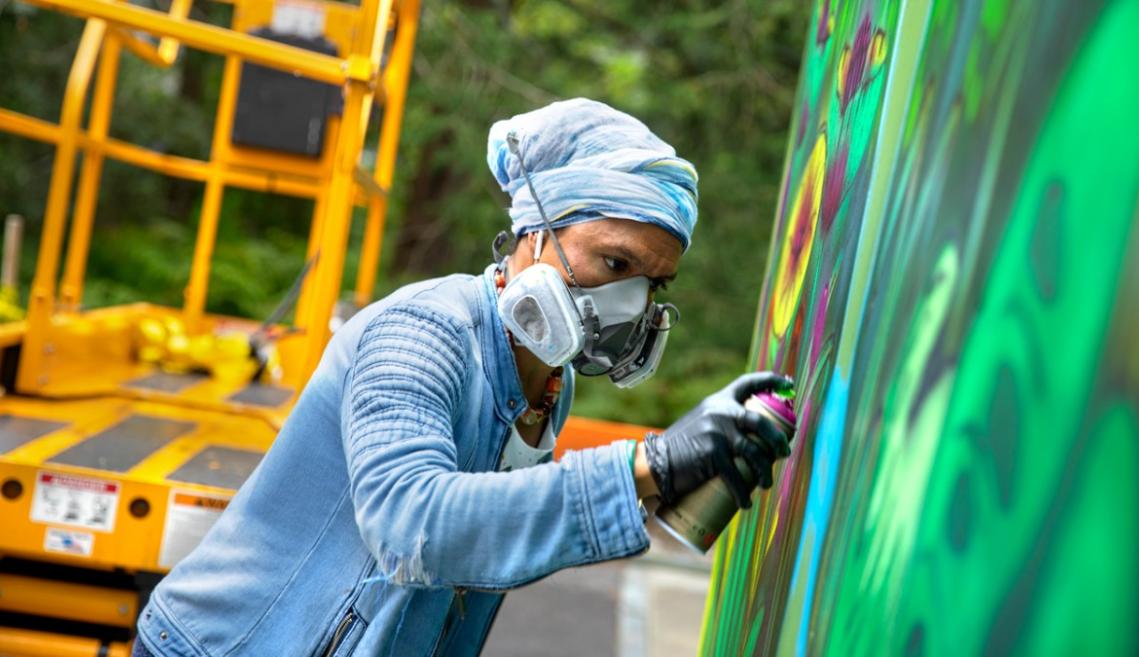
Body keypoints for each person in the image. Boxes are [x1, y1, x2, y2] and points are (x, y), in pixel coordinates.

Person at [132, 98, 793, 657]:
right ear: (534, 230)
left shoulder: (547, 382)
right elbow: (412, 522)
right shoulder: (421, 334)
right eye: (613, 261)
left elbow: (487, 543)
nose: (629, 304)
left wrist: (666, 482)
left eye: (652, 282)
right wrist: (646, 465)